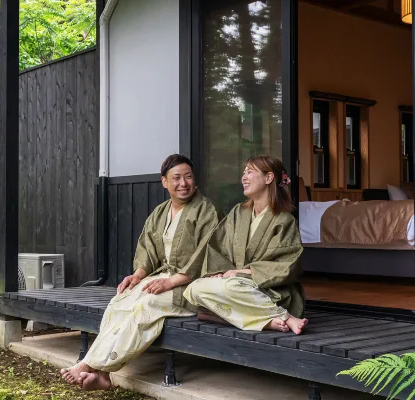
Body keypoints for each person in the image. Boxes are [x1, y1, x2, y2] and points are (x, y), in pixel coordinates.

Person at [60, 154, 219, 391]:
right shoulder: (160, 212)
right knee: (120, 300)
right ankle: (102, 373)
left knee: (145, 306)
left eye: (188, 177)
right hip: (163, 279)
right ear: (164, 182)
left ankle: (90, 365)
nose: (183, 183)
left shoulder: (206, 211)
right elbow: (148, 250)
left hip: (191, 287)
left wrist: (171, 282)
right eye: (176, 178)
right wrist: (138, 275)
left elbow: (207, 256)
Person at [183, 155, 307, 335]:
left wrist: (242, 272)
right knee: (194, 289)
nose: (243, 178)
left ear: (268, 178)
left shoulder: (284, 220)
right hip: (234, 284)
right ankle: (270, 320)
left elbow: (285, 265)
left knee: (231, 287)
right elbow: (218, 248)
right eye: (243, 173)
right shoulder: (238, 213)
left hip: (269, 290)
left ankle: (283, 315)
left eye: (249, 172)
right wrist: (219, 273)